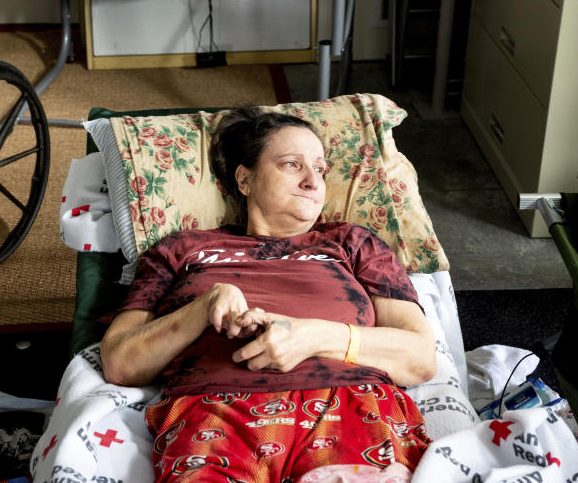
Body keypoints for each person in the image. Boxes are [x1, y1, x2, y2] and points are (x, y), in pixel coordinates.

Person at [101, 108, 437, 482]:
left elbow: (421, 358)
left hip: (349, 402)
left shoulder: (352, 243)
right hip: (214, 408)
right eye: (292, 165)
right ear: (245, 180)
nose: (313, 181)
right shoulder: (181, 249)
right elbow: (120, 363)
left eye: (320, 169)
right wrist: (205, 306)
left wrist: (314, 336)